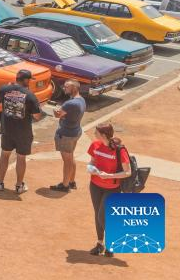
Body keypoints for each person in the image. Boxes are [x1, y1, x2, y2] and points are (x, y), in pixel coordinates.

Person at [0, 69, 43, 194]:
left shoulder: (4, 89)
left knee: (5, 155)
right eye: (29, 79)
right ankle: (19, 186)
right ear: (25, 80)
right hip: (23, 133)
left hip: (7, 130)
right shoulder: (29, 95)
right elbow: (37, 117)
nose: (30, 82)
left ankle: (0, 182)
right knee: (21, 158)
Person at [86, 123, 133, 257]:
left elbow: (128, 172)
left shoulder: (119, 150)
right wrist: (90, 168)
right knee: (97, 214)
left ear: (104, 135)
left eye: (96, 133)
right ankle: (100, 244)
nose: (94, 135)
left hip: (112, 188)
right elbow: (92, 162)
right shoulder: (95, 145)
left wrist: (109, 176)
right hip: (95, 185)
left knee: (102, 216)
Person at [50, 79, 85, 192]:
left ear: (74, 88)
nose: (64, 88)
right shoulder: (81, 100)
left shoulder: (69, 103)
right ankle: (71, 181)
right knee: (70, 157)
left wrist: (56, 112)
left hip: (66, 135)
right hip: (75, 132)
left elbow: (58, 115)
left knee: (67, 161)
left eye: (66, 87)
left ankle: (65, 185)